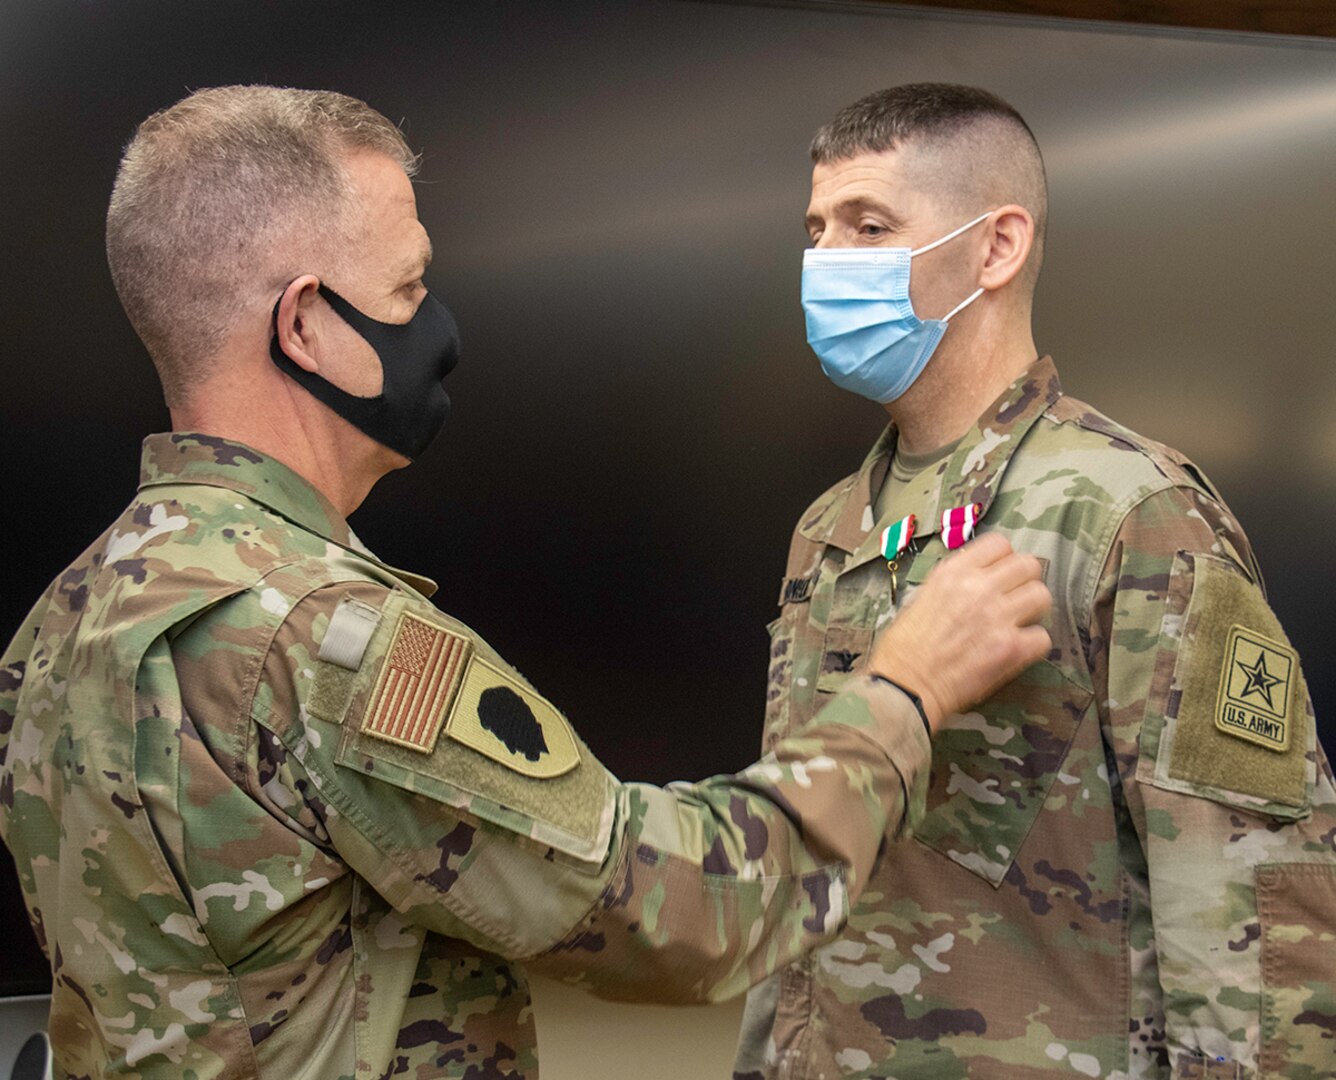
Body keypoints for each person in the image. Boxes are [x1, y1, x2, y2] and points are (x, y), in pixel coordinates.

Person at [0, 86, 1052, 1079]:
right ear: (306, 325)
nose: (438, 327)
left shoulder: (71, 613)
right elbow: (678, 908)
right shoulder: (323, 638)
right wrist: (903, 691)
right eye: (408, 288)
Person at [733, 83, 1336, 1080]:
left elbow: (1256, 912)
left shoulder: (1128, 513)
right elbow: (797, 860)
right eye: (815, 228)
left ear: (996, 246)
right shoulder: (829, 528)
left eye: (868, 224)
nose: (825, 261)